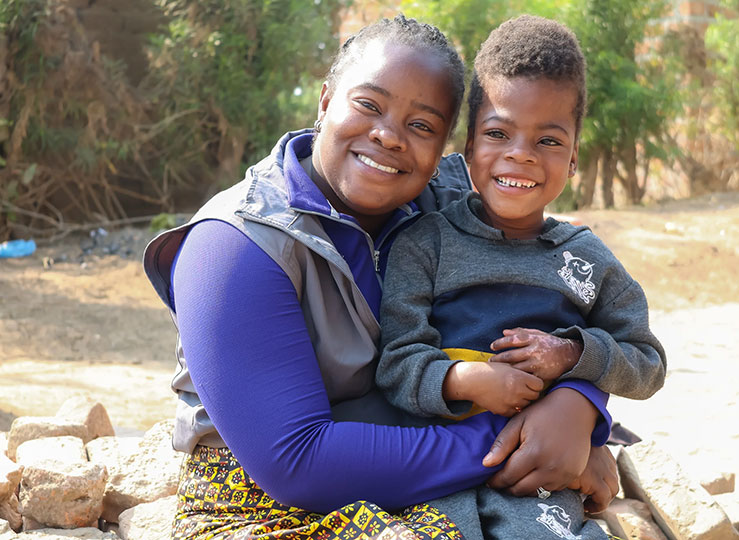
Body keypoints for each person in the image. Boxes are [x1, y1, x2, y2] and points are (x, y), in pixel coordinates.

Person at [143, 15, 618, 540]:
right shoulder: (234, 246)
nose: (389, 136)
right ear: (326, 101)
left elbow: (563, 301)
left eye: (423, 126)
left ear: (446, 148)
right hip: (265, 505)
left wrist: (578, 409)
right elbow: (296, 463)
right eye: (369, 105)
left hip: (432, 480)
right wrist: (525, 440)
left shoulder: (455, 209)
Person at [377, 15, 666, 540]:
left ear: (574, 157)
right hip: (437, 481)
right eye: (498, 133)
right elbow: (396, 362)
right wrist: (465, 380)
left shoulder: (586, 260)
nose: (521, 154)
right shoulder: (426, 244)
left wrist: (573, 355)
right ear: (468, 147)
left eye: (549, 140)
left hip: (540, 486)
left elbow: (647, 362)